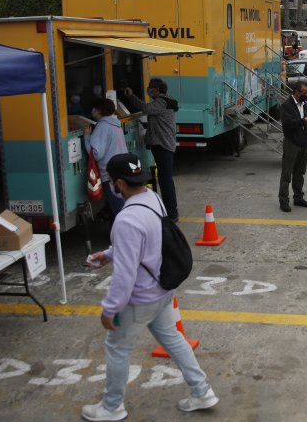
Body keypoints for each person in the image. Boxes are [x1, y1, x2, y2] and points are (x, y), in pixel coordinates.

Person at [82, 153, 217, 421]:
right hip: (163, 290)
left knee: (117, 348)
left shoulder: (125, 219)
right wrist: (110, 253)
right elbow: (149, 240)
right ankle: (202, 391)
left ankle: (111, 407)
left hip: (140, 299)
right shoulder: (153, 199)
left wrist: (110, 309)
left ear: (119, 183)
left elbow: (125, 275)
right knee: (174, 339)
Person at [122, 78, 180, 222]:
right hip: (164, 144)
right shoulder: (166, 101)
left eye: (150, 88)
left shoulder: (161, 102)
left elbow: (146, 108)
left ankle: (172, 213)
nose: (148, 90)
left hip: (163, 145)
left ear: (157, 90)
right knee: (165, 179)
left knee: (165, 180)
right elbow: (158, 120)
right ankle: (170, 210)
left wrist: (131, 96)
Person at [279, 81, 307, 212]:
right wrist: (303, 120)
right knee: (287, 173)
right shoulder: (287, 105)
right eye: (304, 93)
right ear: (296, 92)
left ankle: (298, 197)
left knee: (300, 173)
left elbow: (306, 121)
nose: (305, 96)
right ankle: (283, 200)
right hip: (291, 143)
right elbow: (287, 123)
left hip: (303, 143)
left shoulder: (304, 104)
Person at [86, 98, 129, 217]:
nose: (93, 111)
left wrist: (87, 138)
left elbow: (97, 154)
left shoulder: (102, 126)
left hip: (110, 175)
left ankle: (124, 234)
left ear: (99, 111)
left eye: (94, 109)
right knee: (124, 206)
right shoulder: (116, 124)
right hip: (121, 170)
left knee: (119, 211)